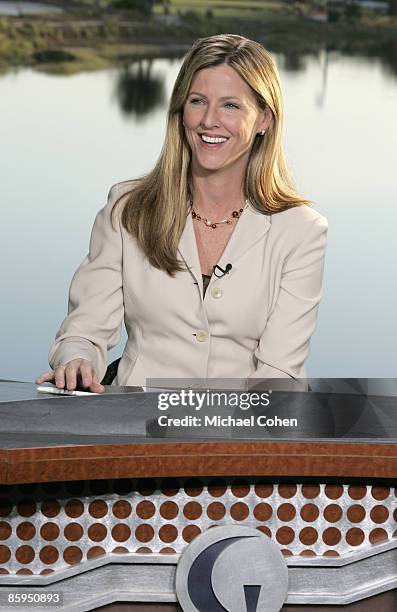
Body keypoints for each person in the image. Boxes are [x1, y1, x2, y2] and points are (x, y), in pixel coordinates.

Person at [36, 34, 328, 393]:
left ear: (264, 118)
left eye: (231, 106)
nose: (209, 120)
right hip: (133, 428)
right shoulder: (127, 208)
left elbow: (280, 375)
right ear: (181, 111)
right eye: (198, 101)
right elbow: (83, 331)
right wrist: (76, 360)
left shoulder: (301, 231)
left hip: (240, 433)